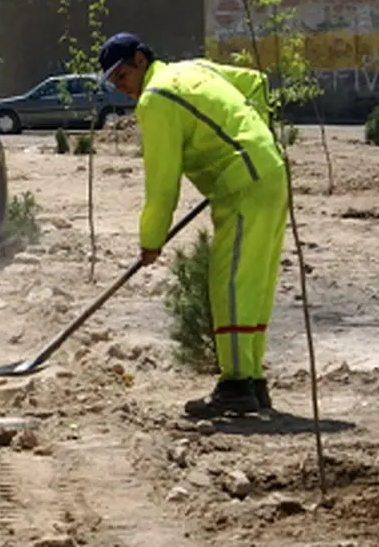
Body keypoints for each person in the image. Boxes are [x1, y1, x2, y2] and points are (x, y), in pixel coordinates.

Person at [98, 32, 288, 418]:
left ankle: (235, 386)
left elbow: (162, 184)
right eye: (114, 82)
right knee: (252, 281)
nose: (122, 89)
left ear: (139, 59)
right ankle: (251, 380)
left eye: (122, 77)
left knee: (230, 284)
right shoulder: (194, 68)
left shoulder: (156, 100)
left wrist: (151, 239)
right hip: (271, 173)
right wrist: (258, 139)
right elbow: (256, 83)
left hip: (242, 184)